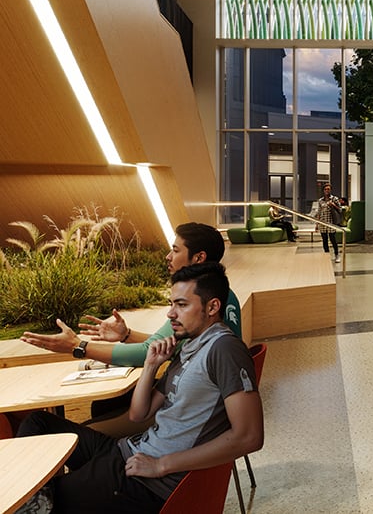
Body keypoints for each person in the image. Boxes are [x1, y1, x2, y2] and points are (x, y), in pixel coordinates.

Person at [14, 262, 262, 513]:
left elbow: (249, 437)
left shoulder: (224, 349)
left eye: (181, 305)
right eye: (171, 304)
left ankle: (38, 502)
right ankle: (37, 500)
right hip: (129, 450)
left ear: (212, 307)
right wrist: (151, 365)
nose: (171, 314)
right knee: (38, 424)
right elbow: (138, 414)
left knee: (32, 502)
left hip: (146, 482)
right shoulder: (188, 346)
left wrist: (161, 465)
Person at [316, 183, 343, 263]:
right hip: (323, 222)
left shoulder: (334, 199)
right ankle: (326, 255)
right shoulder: (320, 200)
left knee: (332, 239)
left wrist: (333, 205)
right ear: (323, 191)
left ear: (330, 190)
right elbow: (319, 212)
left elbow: (340, 210)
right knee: (324, 240)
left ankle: (337, 254)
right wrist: (317, 224)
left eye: (328, 189)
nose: (327, 191)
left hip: (331, 222)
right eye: (325, 189)